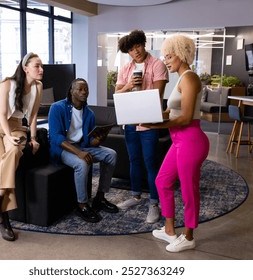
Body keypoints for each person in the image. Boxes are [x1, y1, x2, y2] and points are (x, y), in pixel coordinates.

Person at [141, 34, 210, 252]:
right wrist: (145, 115)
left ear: (181, 54)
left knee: (189, 190)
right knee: (162, 181)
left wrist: (155, 125)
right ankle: (169, 230)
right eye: (164, 56)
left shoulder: (190, 78)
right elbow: (171, 111)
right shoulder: (180, 79)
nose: (166, 61)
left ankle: (189, 236)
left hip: (191, 140)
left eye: (169, 56)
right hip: (178, 140)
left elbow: (187, 117)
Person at [0, 52, 43, 241]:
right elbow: (1, 114)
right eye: (37, 66)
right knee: (0, 166)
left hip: (16, 127)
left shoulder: (38, 87)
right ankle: (4, 219)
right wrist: (7, 136)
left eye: (41, 67)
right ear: (26, 69)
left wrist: (33, 138)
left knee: (14, 151)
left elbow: (32, 117)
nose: (41, 70)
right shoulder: (7, 83)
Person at [115, 29, 169, 223]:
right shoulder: (125, 69)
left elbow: (156, 96)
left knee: (150, 162)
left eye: (137, 46)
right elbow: (118, 95)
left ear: (144, 44)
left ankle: (154, 203)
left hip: (149, 124)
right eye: (131, 49)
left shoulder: (158, 65)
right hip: (130, 122)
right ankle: (135, 196)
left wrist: (143, 84)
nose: (135, 51)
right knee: (134, 160)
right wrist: (128, 86)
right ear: (127, 52)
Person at [48, 78, 119, 223]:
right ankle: (82, 204)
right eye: (79, 89)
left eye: (86, 89)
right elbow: (55, 137)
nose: (84, 92)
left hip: (82, 146)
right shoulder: (57, 108)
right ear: (71, 91)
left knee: (111, 154)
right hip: (62, 149)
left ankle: (100, 198)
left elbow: (88, 141)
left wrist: (98, 140)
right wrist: (78, 152)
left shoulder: (89, 113)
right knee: (82, 163)